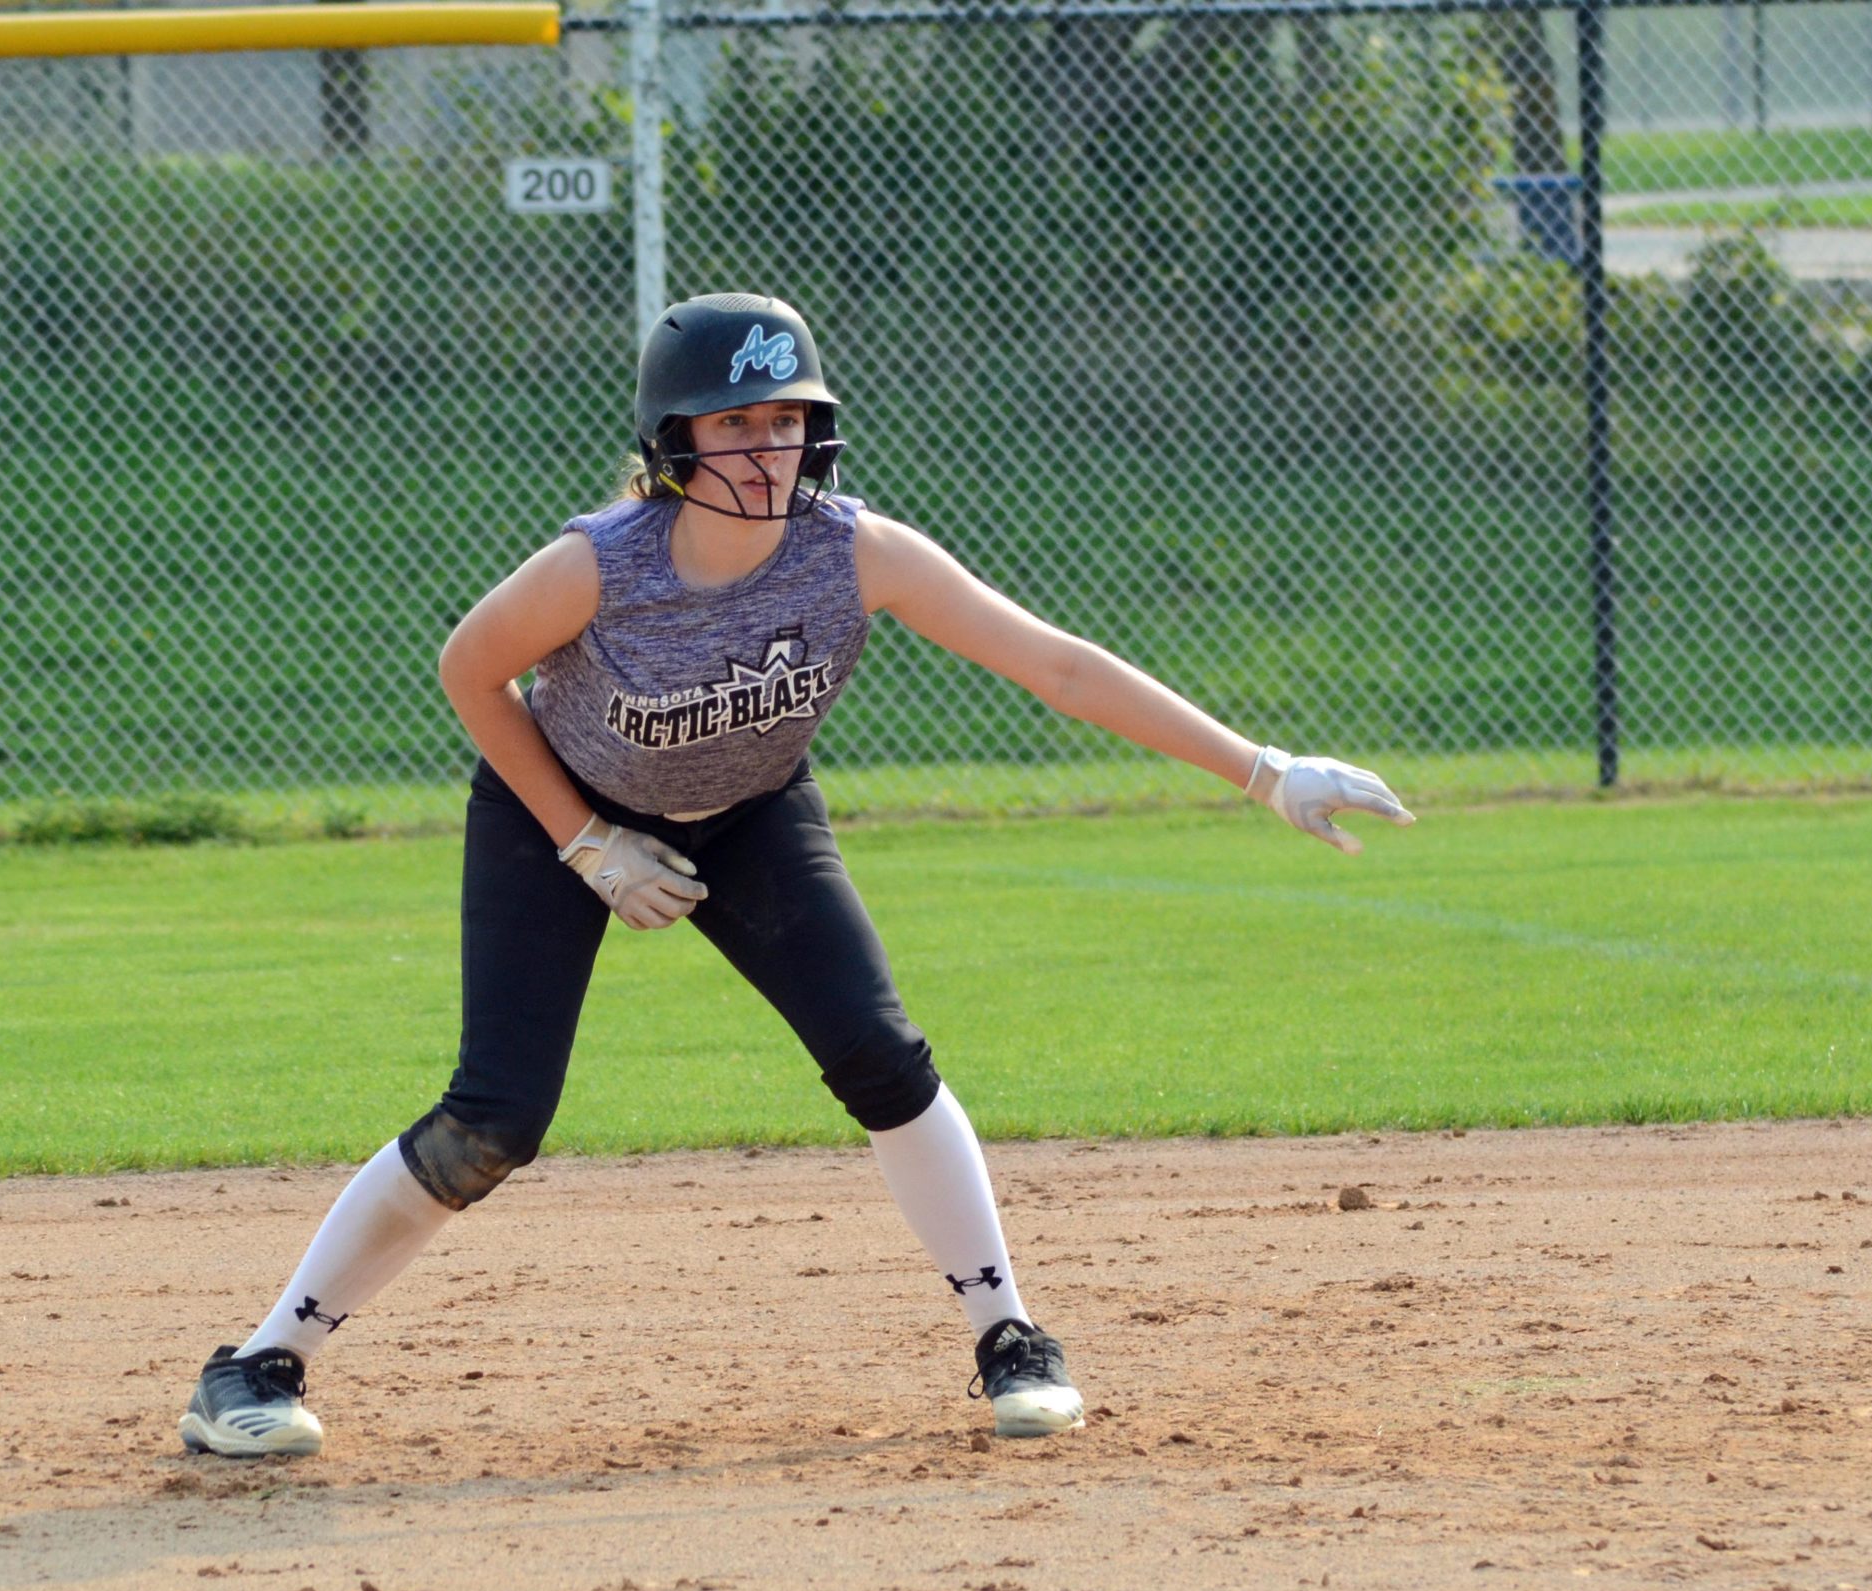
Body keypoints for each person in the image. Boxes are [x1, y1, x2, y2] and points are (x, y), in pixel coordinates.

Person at [177, 292, 1415, 1458]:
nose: (768, 449)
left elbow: (1060, 667)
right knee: (497, 1116)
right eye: (735, 424)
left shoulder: (849, 550)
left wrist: (1263, 769)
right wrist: (584, 841)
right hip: (555, 812)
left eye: (788, 421)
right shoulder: (602, 563)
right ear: (671, 444)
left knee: (882, 1057)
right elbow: (469, 670)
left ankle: (1007, 1336)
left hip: (752, 812)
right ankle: (256, 1366)